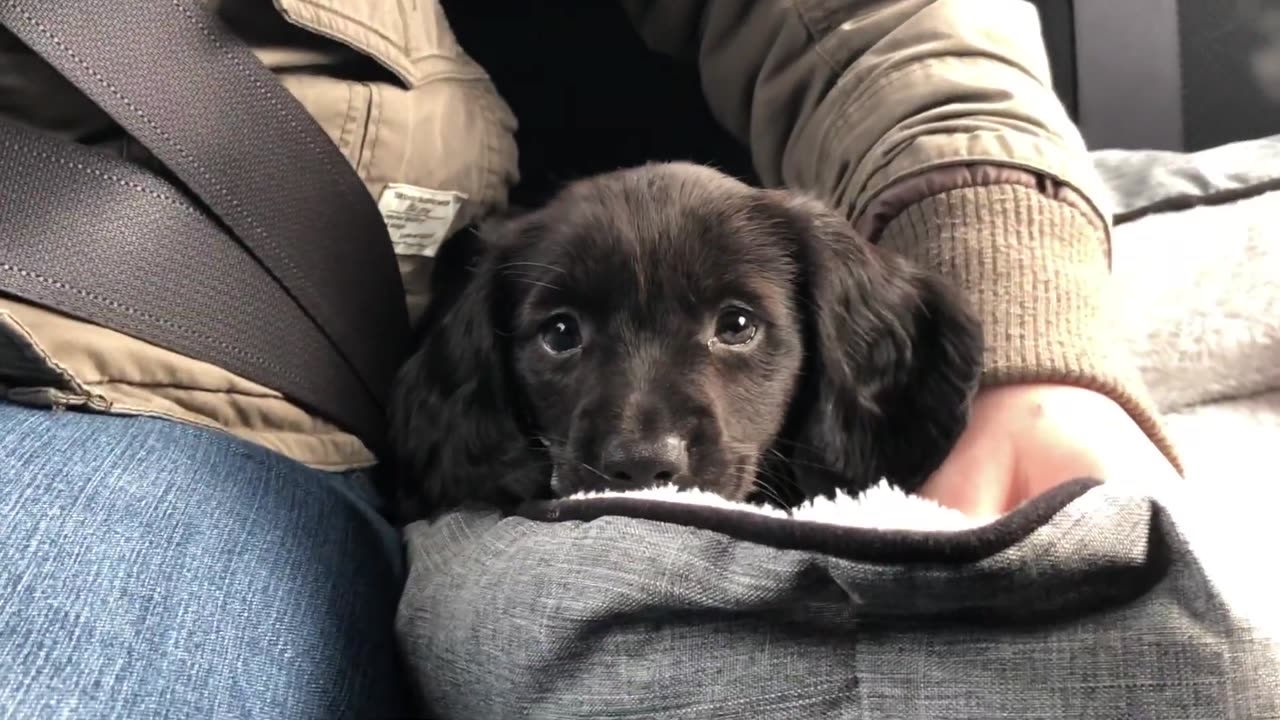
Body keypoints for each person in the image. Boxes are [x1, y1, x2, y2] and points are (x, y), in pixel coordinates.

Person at [0, 0, 1182, 716]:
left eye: (732, 327)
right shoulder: (480, 363)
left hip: (160, 389)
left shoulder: (821, 298)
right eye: (563, 337)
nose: (644, 429)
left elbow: (870, 27)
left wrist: (1037, 336)